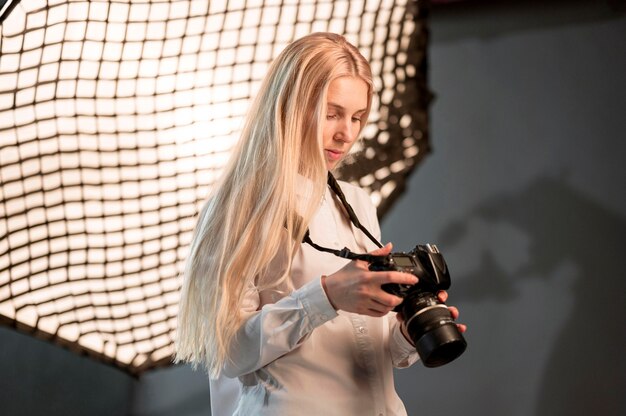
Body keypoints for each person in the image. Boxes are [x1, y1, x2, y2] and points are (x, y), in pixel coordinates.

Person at [175, 32, 466, 416]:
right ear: (290, 107)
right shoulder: (238, 206)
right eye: (332, 113)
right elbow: (228, 353)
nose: (346, 134)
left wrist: (405, 336)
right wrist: (325, 296)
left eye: (357, 117)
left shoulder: (358, 203)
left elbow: (358, 348)